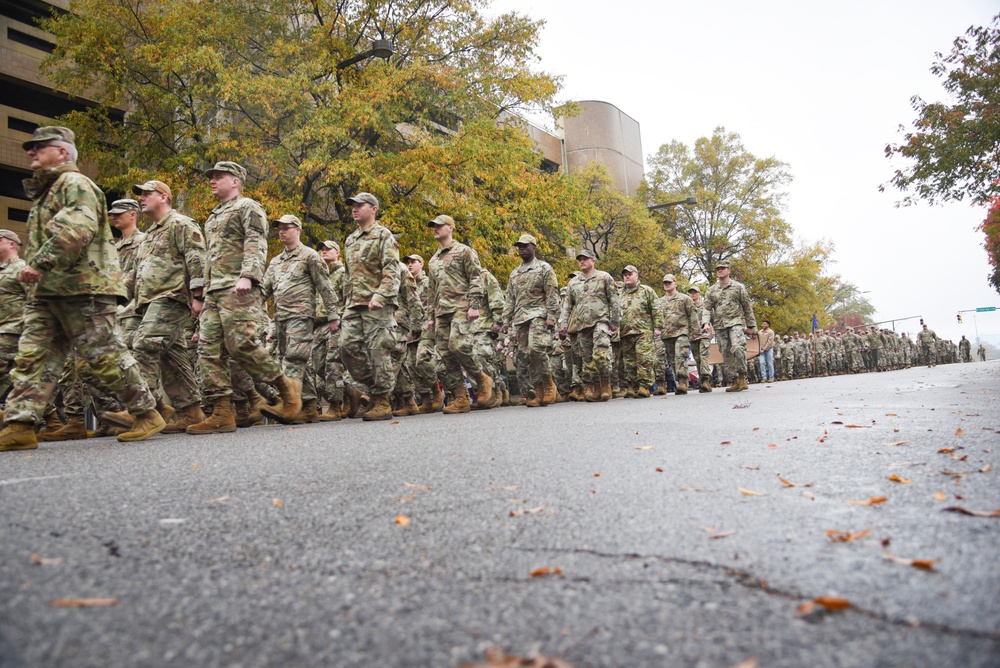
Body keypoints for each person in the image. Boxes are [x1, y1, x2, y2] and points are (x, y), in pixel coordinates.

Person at [0, 126, 164, 451]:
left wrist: (40, 262)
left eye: (40, 147)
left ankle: (146, 412)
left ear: (62, 152)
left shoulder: (75, 184)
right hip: (47, 293)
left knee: (102, 356)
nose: (31, 152)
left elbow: (79, 227)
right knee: (32, 357)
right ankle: (20, 423)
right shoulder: (48, 191)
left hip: (82, 287)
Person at [187, 161, 301, 434]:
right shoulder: (213, 216)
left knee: (240, 344)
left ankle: (286, 386)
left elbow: (256, 241)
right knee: (208, 349)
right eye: (211, 177)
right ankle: (222, 412)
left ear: (235, 180)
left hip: (238, 287)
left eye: (219, 176)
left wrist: (248, 275)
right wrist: (202, 292)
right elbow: (209, 258)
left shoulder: (248, 207)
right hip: (216, 291)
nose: (213, 181)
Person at [124, 180, 207, 433]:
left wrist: (198, 294)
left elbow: (196, 257)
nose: (141, 198)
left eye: (147, 194)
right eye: (140, 195)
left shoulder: (180, 223)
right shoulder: (149, 234)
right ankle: (191, 411)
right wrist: (116, 298)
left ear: (164, 197)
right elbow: (136, 273)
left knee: (144, 345)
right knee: (172, 358)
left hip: (171, 297)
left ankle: (144, 412)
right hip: (148, 301)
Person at [261, 215, 340, 423]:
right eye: (279, 228)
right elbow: (264, 290)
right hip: (281, 318)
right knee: (289, 360)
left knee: (294, 359)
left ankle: (289, 404)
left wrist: (333, 315)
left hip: (301, 316)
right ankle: (310, 406)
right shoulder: (276, 261)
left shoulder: (310, 256)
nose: (281, 231)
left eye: (286, 228)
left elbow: (325, 286)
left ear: (297, 230)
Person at [340, 192, 400, 420]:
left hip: (377, 304)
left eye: (360, 205)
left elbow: (392, 270)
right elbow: (349, 276)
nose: (354, 209)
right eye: (352, 205)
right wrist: (344, 303)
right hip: (354, 304)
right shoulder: (350, 239)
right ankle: (375, 388)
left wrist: (381, 296)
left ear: (373, 208)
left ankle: (382, 400)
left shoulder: (383, 235)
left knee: (378, 352)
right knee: (347, 349)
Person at [426, 214, 495, 414]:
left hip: (460, 307)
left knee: (458, 346)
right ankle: (461, 398)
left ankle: (482, 378)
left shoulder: (464, 251)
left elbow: (476, 278)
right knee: (445, 355)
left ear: (451, 228)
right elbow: (432, 290)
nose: (435, 229)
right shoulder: (433, 260)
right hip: (441, 312)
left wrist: (474, 305)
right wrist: (430, 317)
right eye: (433, 226)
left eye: (439, 226)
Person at [498, 234, 560, 407]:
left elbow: (552, 293)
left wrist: (551, 317)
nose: (521, 249)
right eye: (519, 246)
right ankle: (538, 390)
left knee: (536, 349)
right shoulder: (514, 273)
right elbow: (510, 298)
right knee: (525, 355)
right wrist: (506, 320)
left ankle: (548, 384)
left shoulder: (544, 268)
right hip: (520, 318)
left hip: (538, 315)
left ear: (534, 247)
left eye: (525, 246)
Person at [558, 250, 621, 402]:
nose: (582, 261)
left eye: (585, 259)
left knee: (600, 354)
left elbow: (614, 300)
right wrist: (564, 323)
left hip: (601, 321)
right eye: (579, 259)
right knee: (587, 360)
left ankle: (606, 384)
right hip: (581, 325)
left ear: (593, 260)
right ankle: (594, 387)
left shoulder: (604, 277)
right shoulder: (573, 283)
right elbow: (567, 305)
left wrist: (615, 321)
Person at [703, 260, 756, 392]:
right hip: (720, 325)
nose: (720, 270)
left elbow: (747, 306)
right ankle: (734, 380)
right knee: (725, 352)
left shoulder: (738, 287)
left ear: (729, 270)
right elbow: (707, 308)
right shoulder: (712, 290)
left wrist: (751, 325)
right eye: (718, 269)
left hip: (736, 323)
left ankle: (743, 376)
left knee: (738, 347)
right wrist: (706, 323)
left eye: (722, 268)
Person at [618, 265, 659, 398]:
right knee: (629, 362)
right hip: (625, 333)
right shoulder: (619, 294)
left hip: (643, 331)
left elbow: (656, 309)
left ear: (636, 275)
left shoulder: (646, 291)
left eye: (630, 274)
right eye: (625, 275)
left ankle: (644, 386)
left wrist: (658, 327)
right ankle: (634, 386)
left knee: (644, 359)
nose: (627, 276)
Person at [656, 274, 697, 395]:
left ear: (675, 283)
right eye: (665, 283)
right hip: (666, 335)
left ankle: (683, 382)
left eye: (669, 282)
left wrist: (695, 332)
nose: (667, 285)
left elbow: (692, 316)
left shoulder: (684, 299)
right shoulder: (660, 302)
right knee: (672, 360)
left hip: (681, 332)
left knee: (680, 356)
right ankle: (674, 383)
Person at [0, 230, 27, 406]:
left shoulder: (22, 269)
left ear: (11, 244)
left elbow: (39, 302)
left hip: (15, 332)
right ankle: (51, 418)